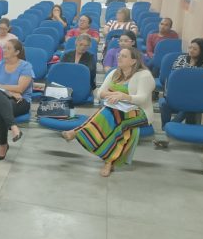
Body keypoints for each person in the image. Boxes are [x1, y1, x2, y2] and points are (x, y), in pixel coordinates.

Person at [62, 48, 154, 177]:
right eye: (119, 55)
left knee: (114, 116)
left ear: (133, 61)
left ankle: (79, 134)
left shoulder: (144, 75)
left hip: (140, 111)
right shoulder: (114, 73)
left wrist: (124, 96)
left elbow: (142, 98)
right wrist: (113, 95)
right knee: (110, 112)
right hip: (116, 108)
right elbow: (100, 93)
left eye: (124, 56)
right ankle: (108, 160)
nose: (119, 58)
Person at [153, 38, 203, 148]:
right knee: (164, 103)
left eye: (195, 49)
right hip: (176, 93)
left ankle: (166, 134)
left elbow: (199, 84)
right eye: (190, 47)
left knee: (188, 107)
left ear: (202, 51)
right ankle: (167, 129)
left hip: (192, 97)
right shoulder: (181, 58)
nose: (191, 50)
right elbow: (174, 77)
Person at [0, 39, 33, 161]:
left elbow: (20, 89)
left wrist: (0, 86)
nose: (4, 50)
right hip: (0, 98)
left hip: (21, 101)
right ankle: (13, 127)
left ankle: (3, 144)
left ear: (17, 52)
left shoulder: (26, 66)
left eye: (8, 48)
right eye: (4, 48)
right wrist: (9, 92)